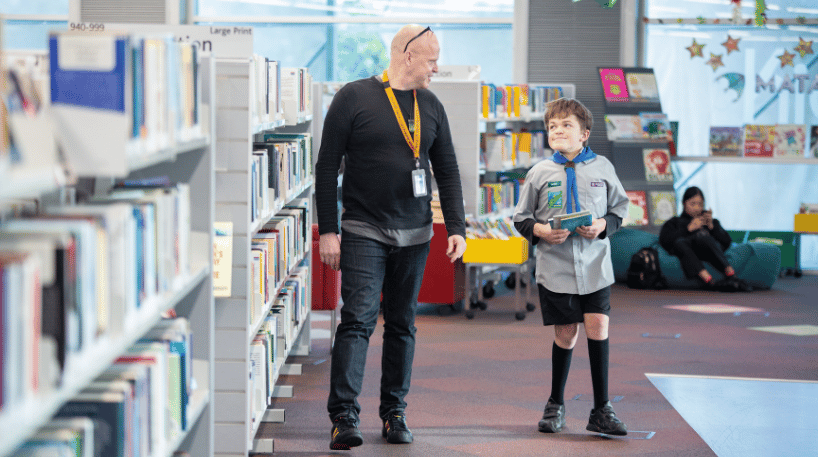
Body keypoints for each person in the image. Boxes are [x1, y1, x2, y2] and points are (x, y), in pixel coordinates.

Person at [314, 24, 467, 450]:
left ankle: (394, 412)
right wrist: (329, 229)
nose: (437, 67)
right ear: (406, 55)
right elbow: (326, 167)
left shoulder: (432, 106)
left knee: (402, 325)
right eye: (432, 59)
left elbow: (448, 170)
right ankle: (343, 416)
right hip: (364, 229)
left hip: (416, 233)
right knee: (358, 320)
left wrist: (456, 227)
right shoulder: (354, 97)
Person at [513, 97, 630, 436]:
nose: (558, 131)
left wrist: (602, 225)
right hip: (556, 268)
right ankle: (555, 403)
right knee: (566, 333)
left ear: (585, 134)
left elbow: (620, 210)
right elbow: (521, 219)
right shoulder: (539, 172)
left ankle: (602, 408)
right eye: (553, 126)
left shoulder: (603, 168)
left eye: (567, 125)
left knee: (598, 325)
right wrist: (541, 231)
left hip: (595, 266)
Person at [659, 186, 750, 291]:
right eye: (692, 204)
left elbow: (727, 242)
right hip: (688, 253)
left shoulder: (711, 222)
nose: (697, 208)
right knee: (680, 242)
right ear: (684, 204)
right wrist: (688, 229)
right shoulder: (675, 222)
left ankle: (731, 274)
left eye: (700, 204)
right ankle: (709, 280)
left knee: (703, 237)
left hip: (707, 251)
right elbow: (665, 240)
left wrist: (712, 227)